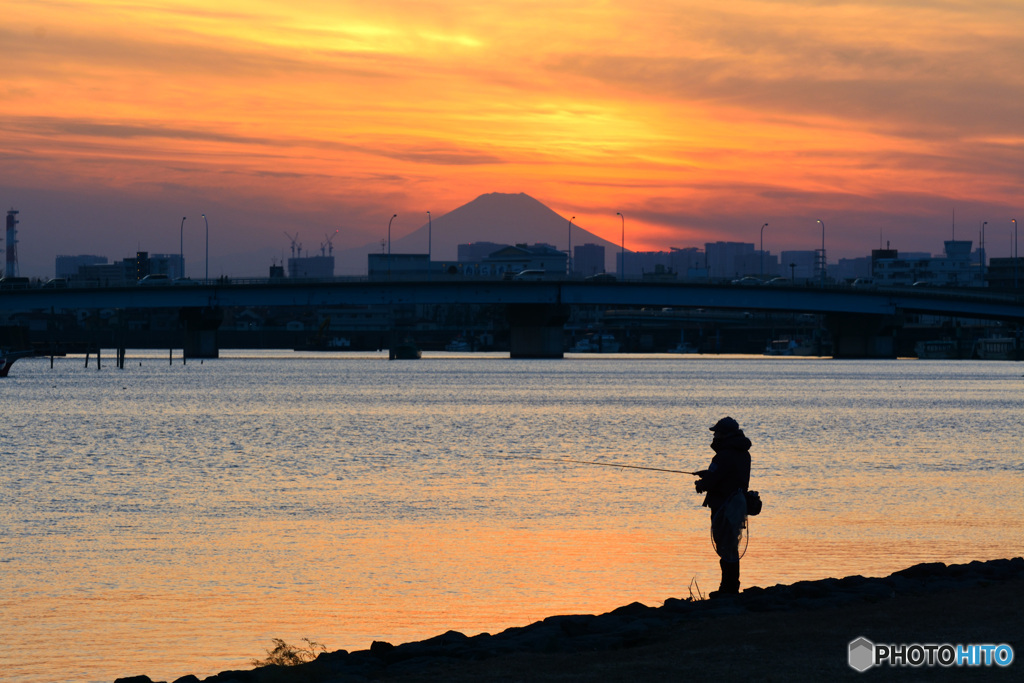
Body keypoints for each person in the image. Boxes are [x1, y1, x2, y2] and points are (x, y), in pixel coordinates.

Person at [694, 416, 752, 597]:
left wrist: (701, 484)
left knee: (725, 546)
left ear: (725, 434)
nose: (715, 436)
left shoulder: (724, 455)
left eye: (717, 432)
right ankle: (730, 586)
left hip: (723, 506)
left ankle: (728, 589)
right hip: (737, 504)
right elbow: (728, 475)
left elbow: (713, 480)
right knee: (731, 545)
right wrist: (710, 475)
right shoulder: (742, 453)